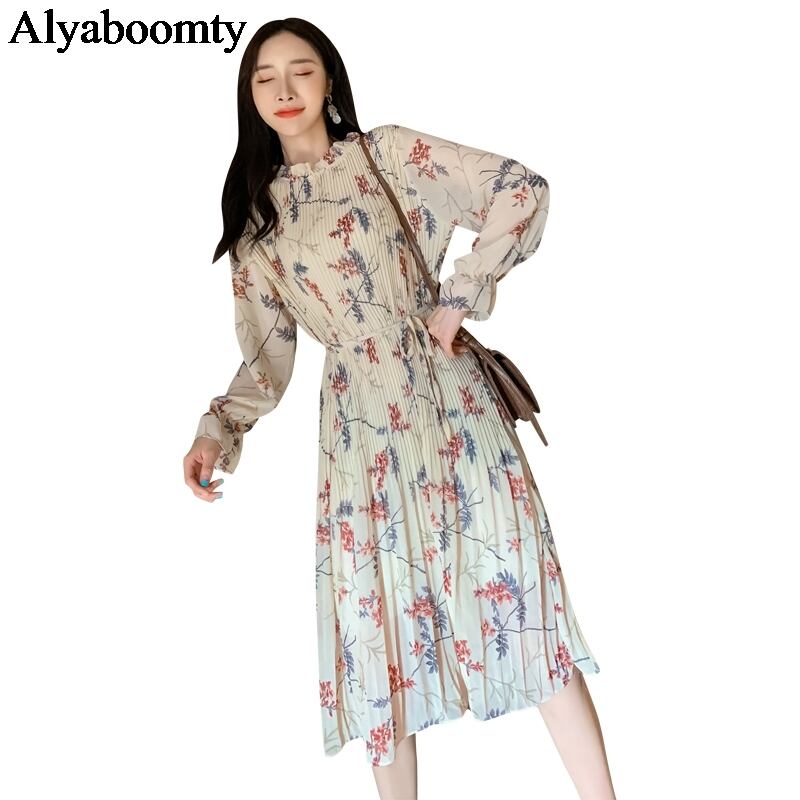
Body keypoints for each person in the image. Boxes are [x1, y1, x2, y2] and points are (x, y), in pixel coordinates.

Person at [182, 17, 617, 800]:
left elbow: (520, 189)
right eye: (264, 77)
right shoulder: (259, 223)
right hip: (358, 436)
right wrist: (219, 432)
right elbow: (267, 359)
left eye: (301, 70)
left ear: (330, 81)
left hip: (450, 405)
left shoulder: (388, 155)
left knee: (524, 597)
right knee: (375, 629)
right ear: (249, 97)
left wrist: (459, 296)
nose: (284, 89)